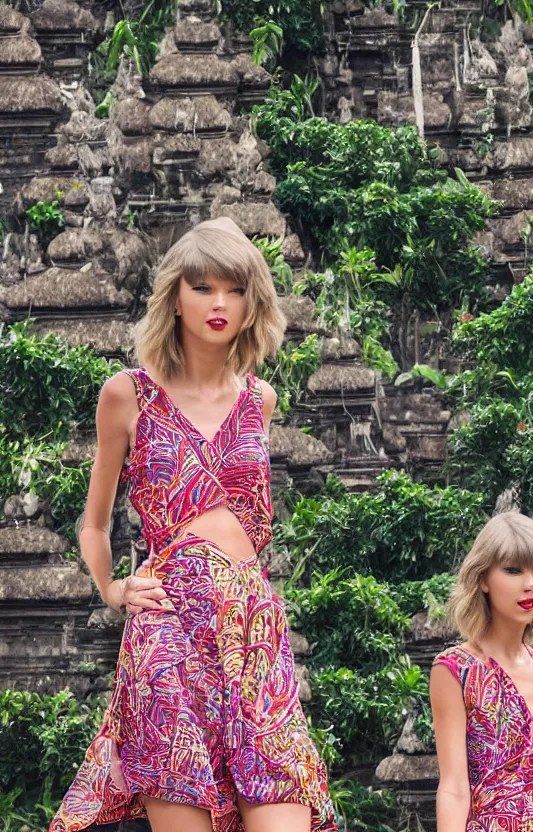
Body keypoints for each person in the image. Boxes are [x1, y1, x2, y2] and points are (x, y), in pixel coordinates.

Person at [51, 217, 336, 832]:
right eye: (203, 287)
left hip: (251, 631)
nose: (219, 304)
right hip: (168, 632)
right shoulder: (128, 394)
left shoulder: (258, 399)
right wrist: (114, 589)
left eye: (235, 290)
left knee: (285, 808)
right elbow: (94, 525)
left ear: (252, 301)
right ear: (175, 297)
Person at [430, 512, 533, 832]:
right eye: (513, 570)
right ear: (483, 578)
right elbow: (454, 788)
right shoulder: (455, 670)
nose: (529, 584)